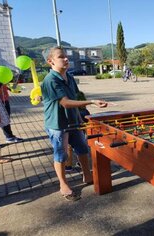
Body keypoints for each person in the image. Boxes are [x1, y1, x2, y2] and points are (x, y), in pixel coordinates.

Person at [41, 46, 108, 201]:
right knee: (61, 154)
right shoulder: (50, 80)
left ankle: (87, 175)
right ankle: (63, 184)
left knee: (83, 148)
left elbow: (77, 96)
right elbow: (65, 102)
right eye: (61, 57)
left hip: (73, 121)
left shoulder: (69, 77)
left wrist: (82, 116)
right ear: (50, 61)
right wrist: (92, 101)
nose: (66, 59)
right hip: (58, 124)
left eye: (66, 56)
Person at [0, 57, 23, 146]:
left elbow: (8, 86)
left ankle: (9, 136)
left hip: (5, 100)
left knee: (6, 120)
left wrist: (15, 88)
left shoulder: (0, 74)